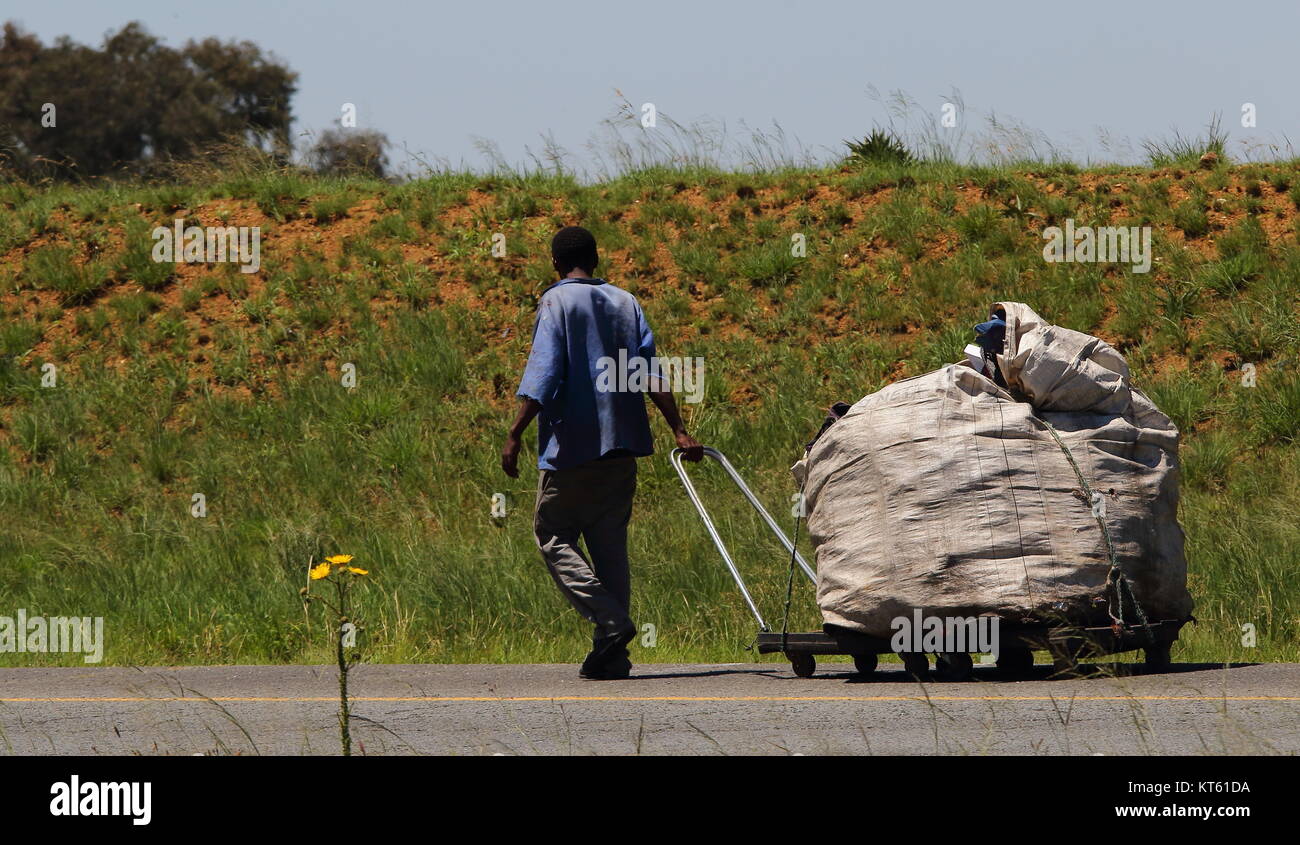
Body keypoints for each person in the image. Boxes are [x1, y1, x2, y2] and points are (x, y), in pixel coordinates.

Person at [502, 226, 703, 680]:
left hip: (573, 450)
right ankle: (612, 655)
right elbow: (649, 372)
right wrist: (678, 430)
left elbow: (544, 374)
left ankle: (611, 623)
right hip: (622, 448)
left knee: (552, 536)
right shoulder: (624, 302)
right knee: (610, 547)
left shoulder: (557, 301)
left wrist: (514, 432)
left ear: (556, 263)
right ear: (596, 258)